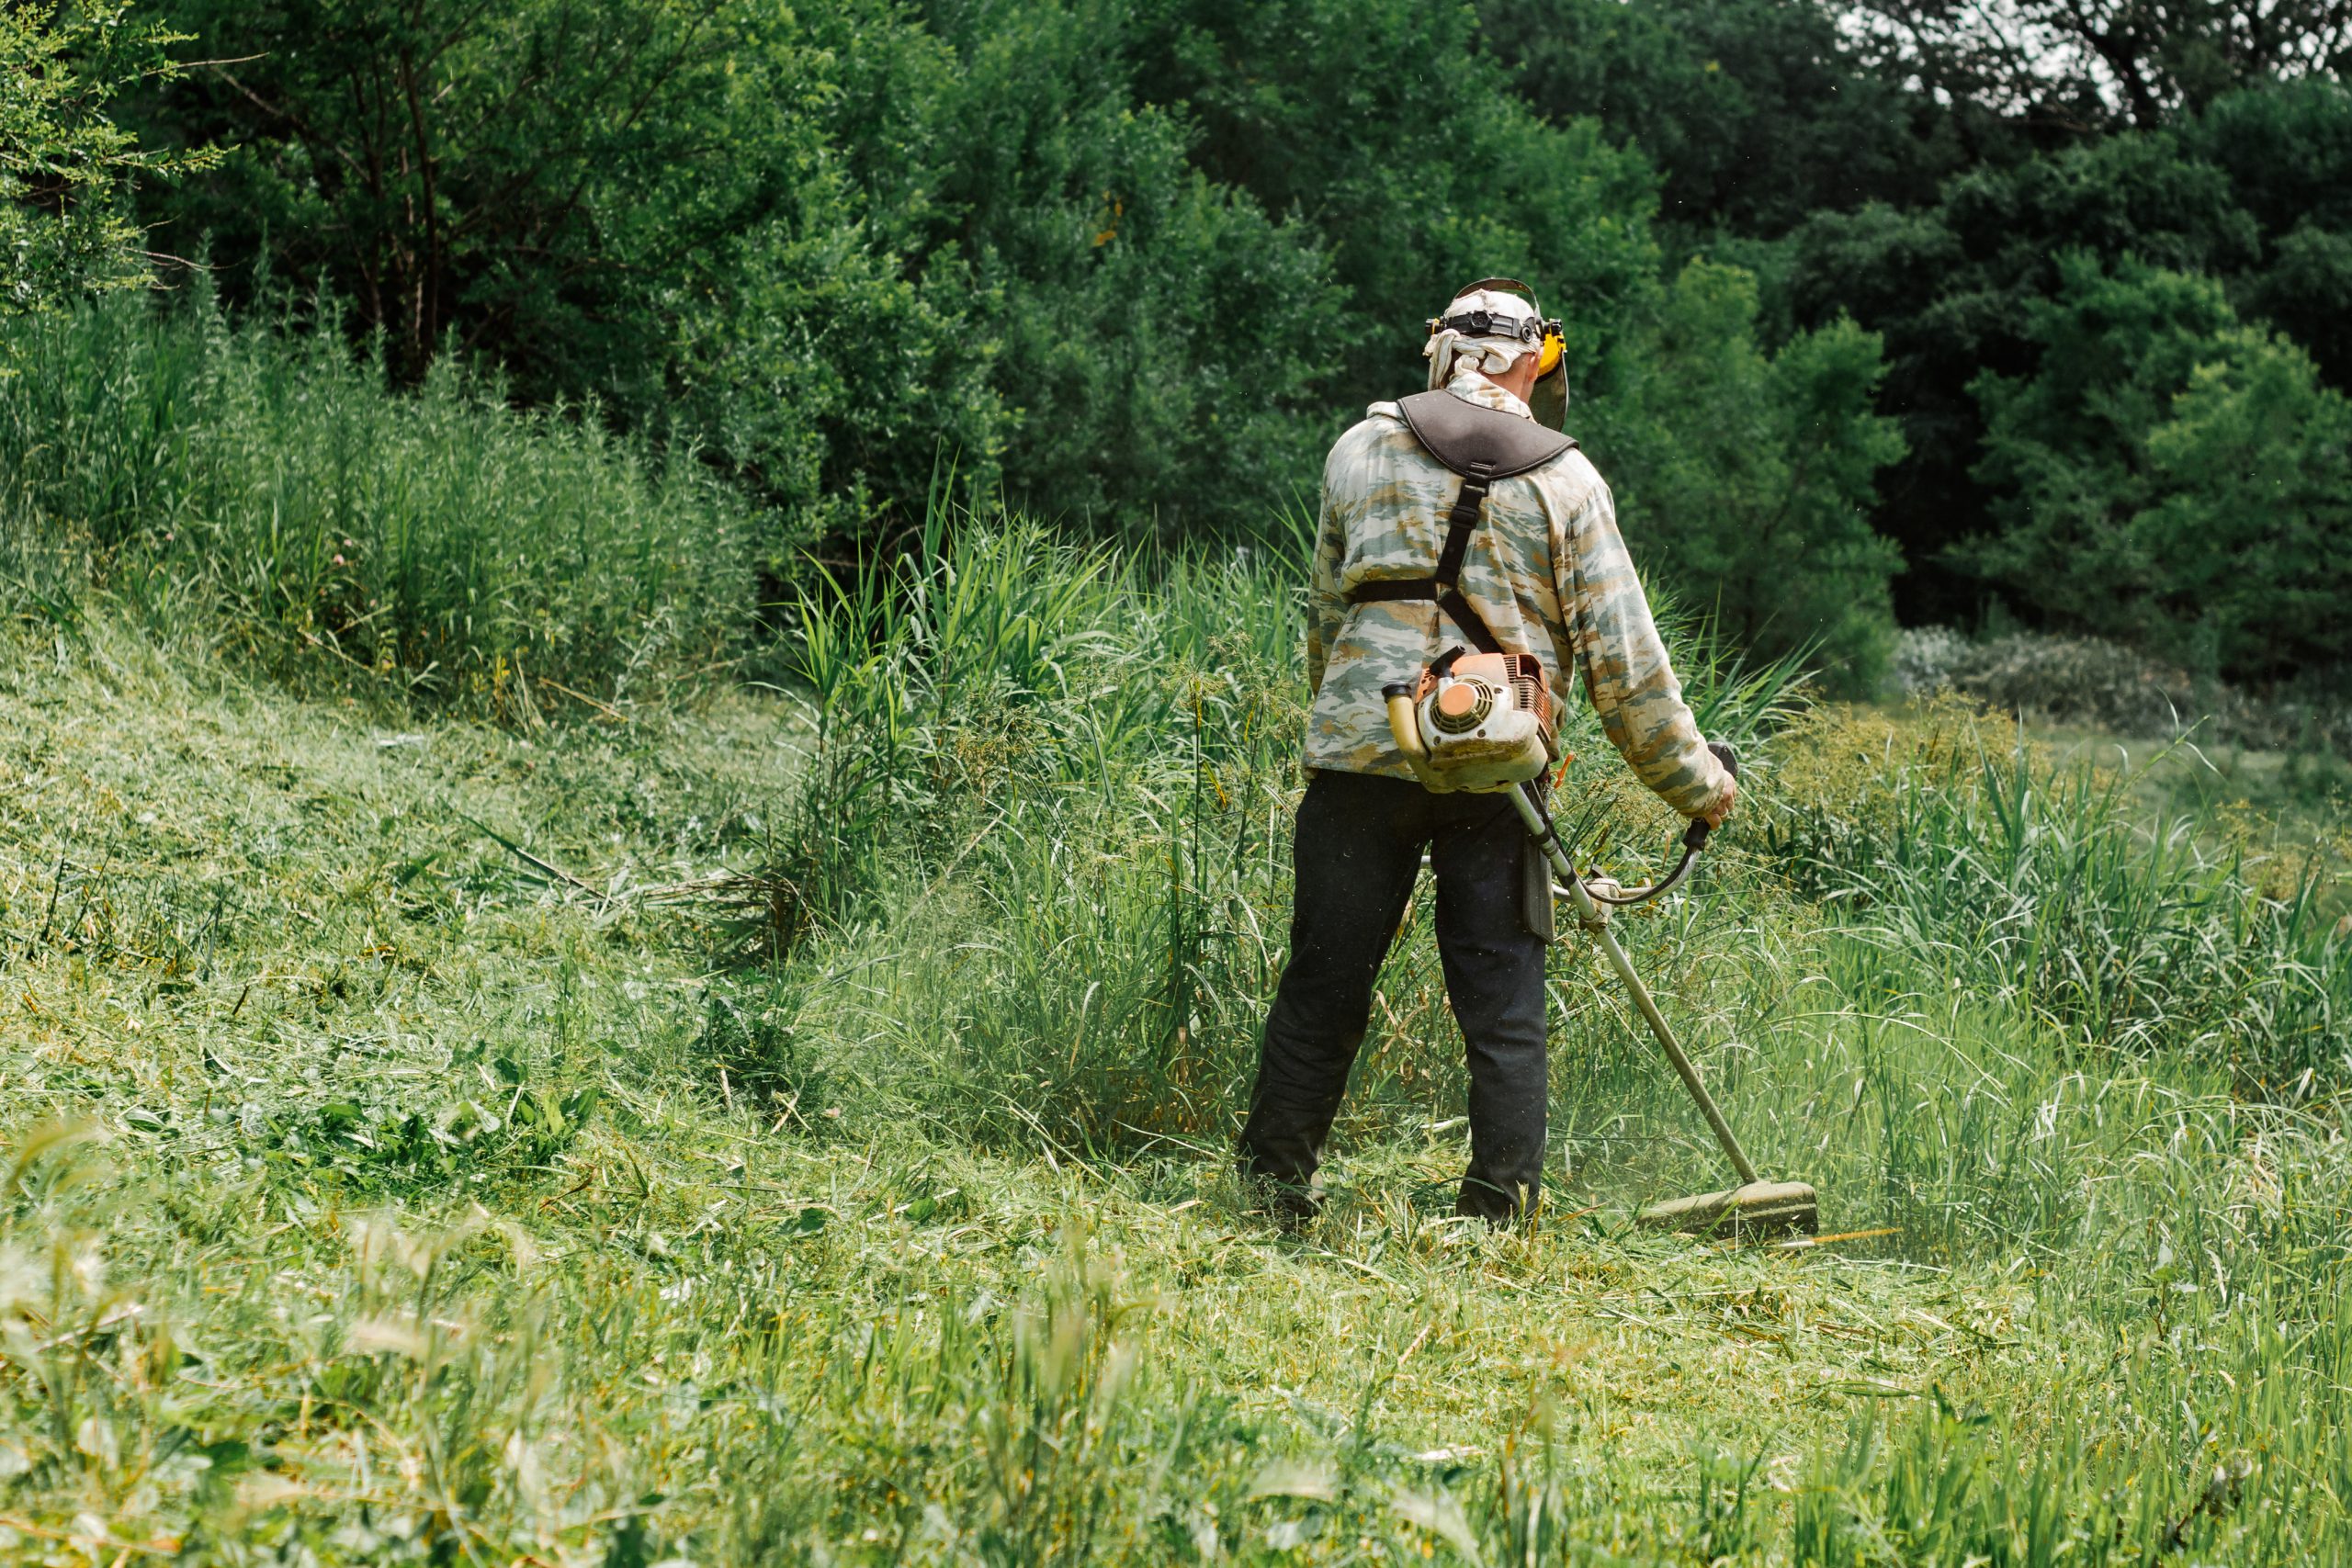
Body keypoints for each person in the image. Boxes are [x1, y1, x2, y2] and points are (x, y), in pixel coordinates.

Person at [1236, 279, 1737, 1225]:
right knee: (1502, 1008)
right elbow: (1625, 670)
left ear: (1438, 352)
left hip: (1363, 755)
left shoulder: (1359, 450)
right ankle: (1496, 1216)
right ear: (1529, 363)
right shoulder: (1567, 480)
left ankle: (1270, 1195)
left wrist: (1344, 720)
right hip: (1501, 774)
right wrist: (1699, 787)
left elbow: (1323, 620)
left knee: (1322, 986)